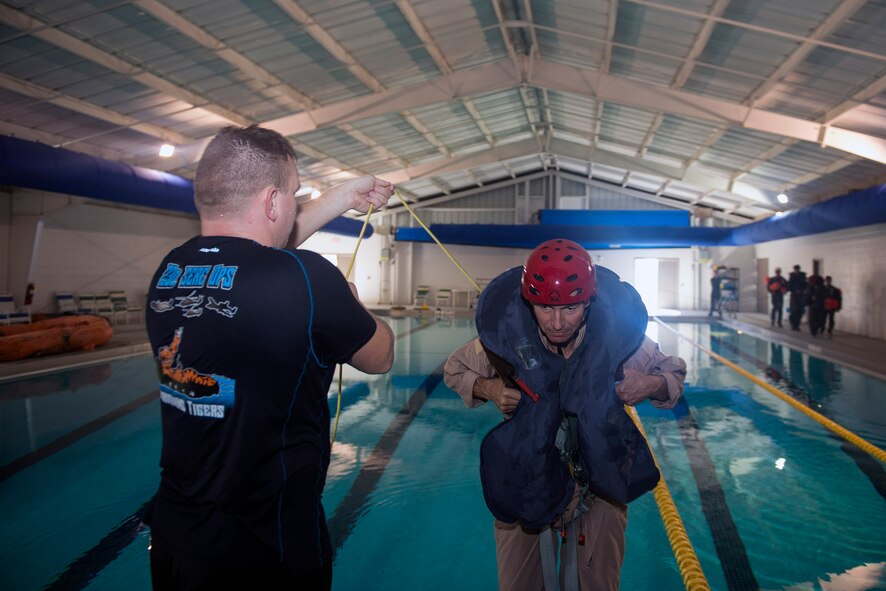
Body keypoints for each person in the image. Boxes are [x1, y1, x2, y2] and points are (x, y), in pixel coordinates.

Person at [144, 125, 395, 591]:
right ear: (273, 202)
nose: (295, 205)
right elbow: (380, 357)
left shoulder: (171, 270)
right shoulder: (310, 279)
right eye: (293, 194)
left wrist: (343, 196)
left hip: (178, 543)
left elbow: (257, 255)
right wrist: (354, 306)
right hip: (269, 550)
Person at [443, 239, 686, 591]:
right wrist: (490, 388)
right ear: (529, 302)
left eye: (570, 308)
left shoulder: (618, 340)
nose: (557, 323)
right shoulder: (507, 340)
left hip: (600, 483)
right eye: (544, 308)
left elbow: (673, 374)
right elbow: (454, 369)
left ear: (589, 301)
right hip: (525, 475)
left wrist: (650, 384)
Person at [787, 264, 807, 330]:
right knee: (794, 310)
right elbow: (789, 286)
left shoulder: (802, 276)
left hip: (801, 295)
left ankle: (797, 324)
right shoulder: (792, 276)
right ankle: (793, 324)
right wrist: (794, 290)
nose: (797, 270)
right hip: (794, 295)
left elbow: (805, 285)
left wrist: (802, 291)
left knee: (800, 310)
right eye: (796, 269)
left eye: (798, 269)